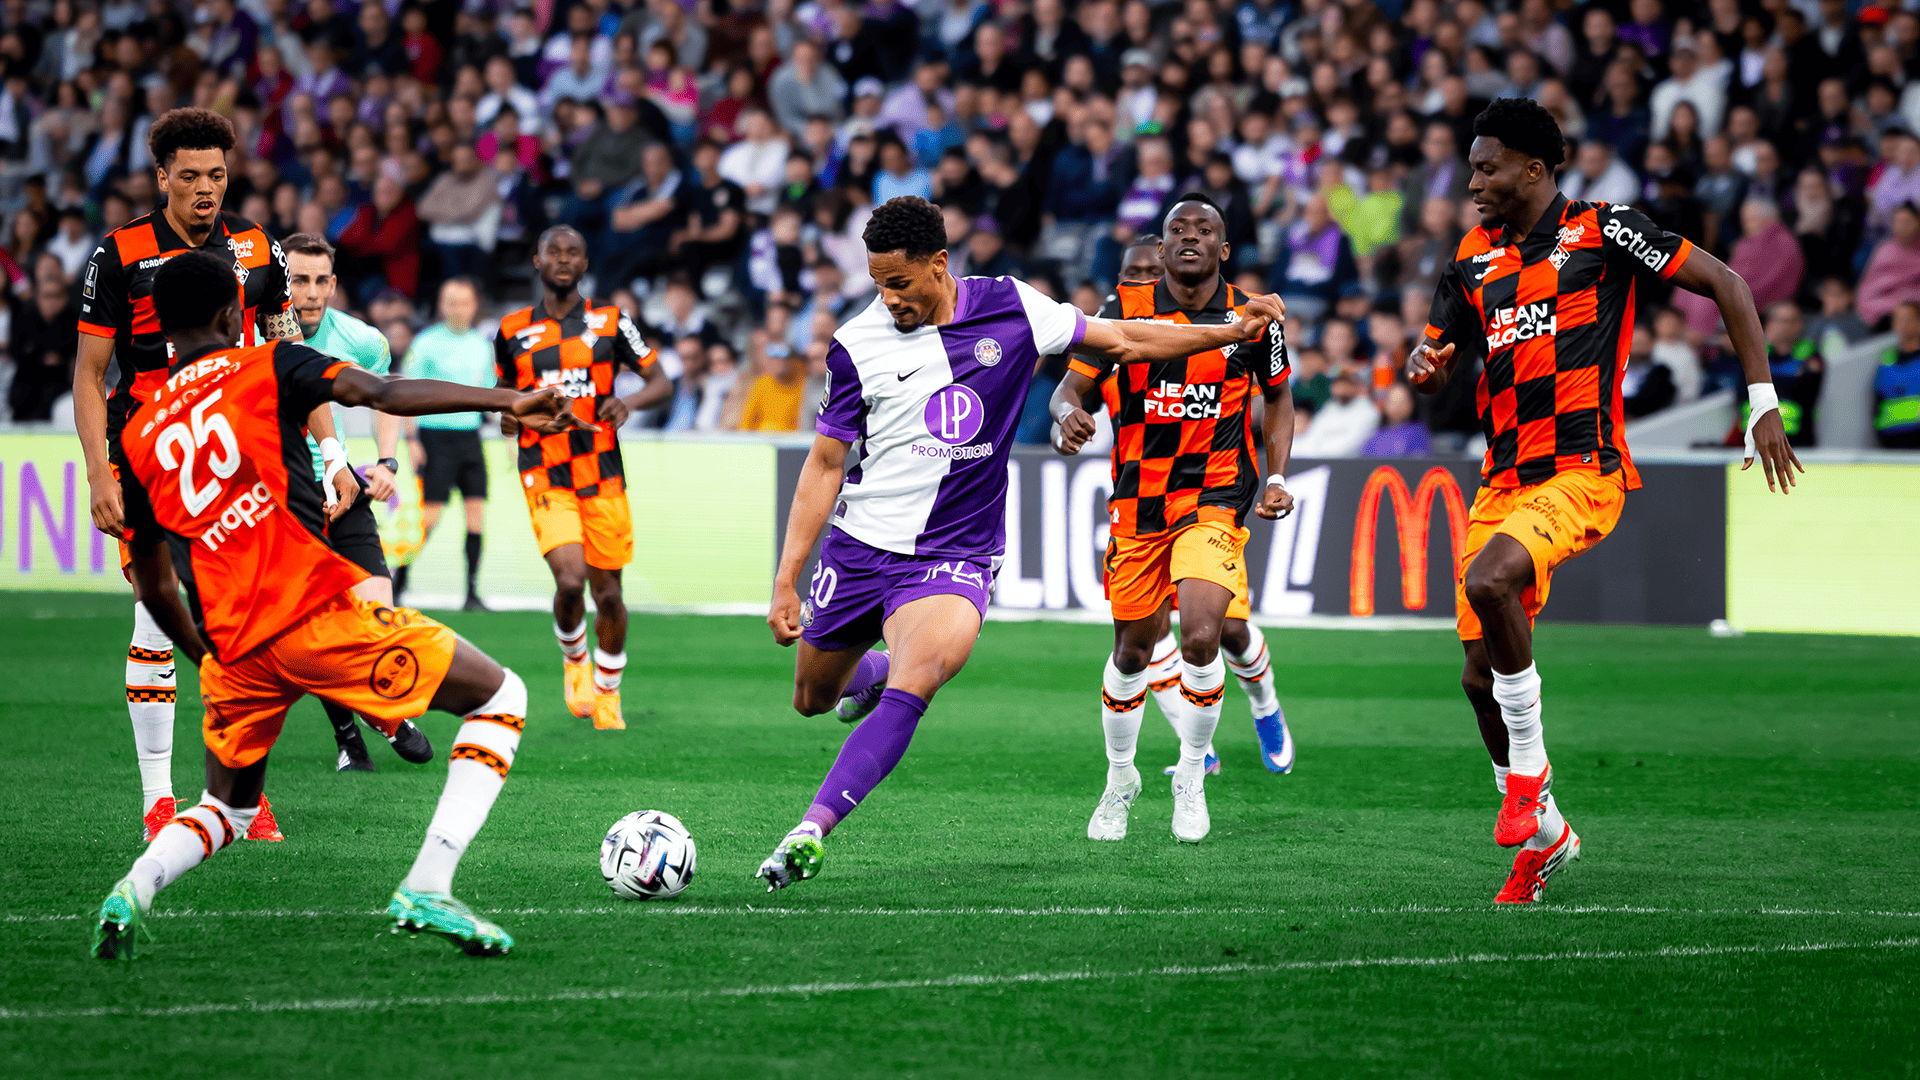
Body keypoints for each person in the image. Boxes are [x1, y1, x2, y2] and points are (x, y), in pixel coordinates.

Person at [758, 196, 1283, 890]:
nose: (888, 299)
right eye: (878, 283)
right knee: (811, 698)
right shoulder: (859, 344)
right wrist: (787, 576)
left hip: (955, 554)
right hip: (860, 547)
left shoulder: (1011, 308)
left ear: (939, 266)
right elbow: (826, 463)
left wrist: (1225, 334)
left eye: (900, 283)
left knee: (923, 676)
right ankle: (874, 668)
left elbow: (1124, 339)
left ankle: (810, 829)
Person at [91, 248, 580, 960]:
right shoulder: (270, 363)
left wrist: (204, 656)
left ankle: (130, 890)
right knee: (501, 697)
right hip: (313, 613)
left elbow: (155, 579)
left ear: (162, 328)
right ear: (234, 312)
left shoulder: (135, 435)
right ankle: (429, 884)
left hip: (234, 647)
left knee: (228, 806)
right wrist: (510, 401)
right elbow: (381, 393)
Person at [1408, 98, 1800, 906]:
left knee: (1491, 582)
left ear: (1535, 169)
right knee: (1478, 678)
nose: (1472, 182)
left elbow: (1726, 282)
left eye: (1486, 167)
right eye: (1471, 168)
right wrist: (1430, 360)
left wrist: (1762, 401)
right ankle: (1548, 832)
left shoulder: (1603, 230)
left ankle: (1529, 780)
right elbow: (1440, 339)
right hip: (1503, 478)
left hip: (1582, 469)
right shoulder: (1474, 254)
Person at [73, 108, 351, 845]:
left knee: (248, 637)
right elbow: (89, 373)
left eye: (217, 175)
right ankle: (159, 798)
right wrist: (99, 473)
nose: (205, 188)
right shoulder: (121, 252)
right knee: (157, 622)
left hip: (240, 460)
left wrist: (331, 454)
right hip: (150, 461)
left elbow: (298, 362)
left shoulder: (258, 248)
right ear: (161, 176)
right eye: (190, 175)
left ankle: (237, 795)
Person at [1048, 194, 1297, 846]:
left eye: (1204, 229)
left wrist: (1274, 475)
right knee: (1132, 652)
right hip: (1139, 505)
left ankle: (1190, 773)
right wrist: (1066, 413)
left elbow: (1279, 398)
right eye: (1176, 230)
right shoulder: (1122, 312)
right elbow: (1070, 386)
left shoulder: (1255, 316)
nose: (1189, 237)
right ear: (1159, 250)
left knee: (1203, 638)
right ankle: (1121, 777)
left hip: (1215, 498)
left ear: (1223, 249)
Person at [494, 226, 671, 730]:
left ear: (585, 262)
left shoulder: (612, 322)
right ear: (537, 260)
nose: (564, 260)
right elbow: (503, 397)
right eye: (555, 252)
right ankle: (575, 661)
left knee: (609, 594)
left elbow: (660, 381)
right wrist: (510, 417)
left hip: (603, 472)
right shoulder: (511, 329)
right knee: (570, 580)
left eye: (574, 252)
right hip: (544, 470)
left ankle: (608, 692)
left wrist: (627, 401)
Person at [282, 231, 435, 772]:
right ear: (280, 279)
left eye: (321, 280)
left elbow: (385, 393)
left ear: (335, 284)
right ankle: (350, 734)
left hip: (343, 485)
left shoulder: (360, 338)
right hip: (284, 502)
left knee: (377, 616)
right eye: (299, 279)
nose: (312, 291)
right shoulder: (250, 337)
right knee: (317, 632)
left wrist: (388, 460)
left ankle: (384, 712)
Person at [397, 277, 496, 611]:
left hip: (470, 436)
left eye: (464, 302)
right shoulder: (425, 344)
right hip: (434, 435)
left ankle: (471, 593)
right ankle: (398, 582)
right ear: (441, 305)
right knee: (430, 517)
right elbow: (406, 394)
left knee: (476, 514)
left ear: (474, 306)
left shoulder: (481, 346)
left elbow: (489, 394)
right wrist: (411, 439)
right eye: (451, 302)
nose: (458, 308)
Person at [1874, 300, 1920, 449]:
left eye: (1908, 319)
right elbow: (1877, 401)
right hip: (1890, 440)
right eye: (1897, 319)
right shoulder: (1885, 362)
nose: (1902, 324)